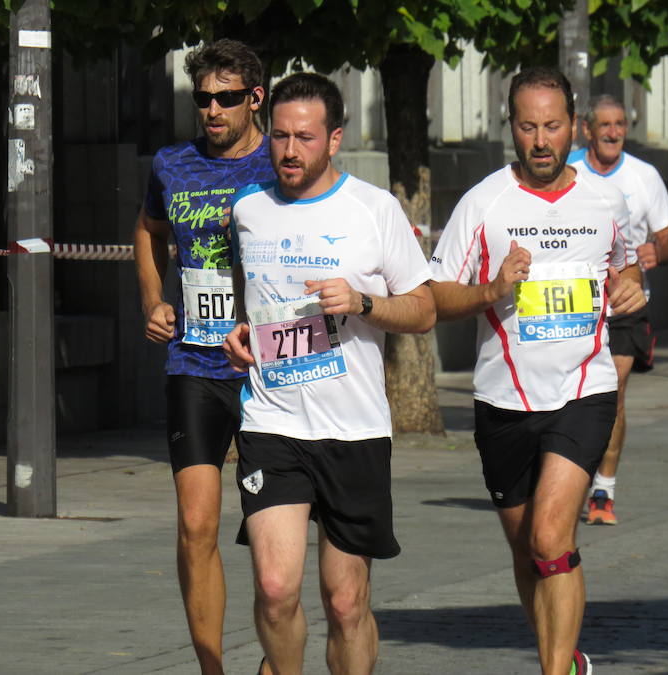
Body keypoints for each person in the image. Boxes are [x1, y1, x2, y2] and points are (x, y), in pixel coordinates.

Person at [429, 67, 646, 675]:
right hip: (503, 401)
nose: (542, 140)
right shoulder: (484, 202)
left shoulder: (605, 200)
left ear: (573, 127)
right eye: (529, 127)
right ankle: (564, 657)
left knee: (553, 537)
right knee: (529, 552)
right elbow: (436, 296)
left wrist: (632, 289)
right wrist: (493, 288)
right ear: (513, 129)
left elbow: (626, 268)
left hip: (584, 389)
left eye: (553, 126)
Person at [223, 72, 435, 675]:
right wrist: (240, 334)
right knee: (273, 586)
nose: (290, 151)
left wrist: (364, 303)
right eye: (281, 137)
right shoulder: (248, 210)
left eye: (306, 138)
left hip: (354, 430)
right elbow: (253, 303)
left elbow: (423, 311)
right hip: (272, 421)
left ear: (335, 139)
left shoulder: (374, 210)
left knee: (344, 603)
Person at [132, 39, 275, 675]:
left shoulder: (283, 164)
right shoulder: (171, 164)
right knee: (196, 528)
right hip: (194, 364)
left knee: (274, 539)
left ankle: (280, 660)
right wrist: (153, 299)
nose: (212, 110)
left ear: (256, 98)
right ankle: (212, 669)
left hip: (271, 369)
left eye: (226, 98)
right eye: (204, 98)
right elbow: (147, 229)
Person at [568, 94, 668, 525]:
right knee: (572, 396)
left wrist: (657, 250)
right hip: (577, 303)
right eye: (605, 125)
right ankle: (570, 479)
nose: (613, 133)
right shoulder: (569, 170)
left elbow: (667, 239)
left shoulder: (644, 176)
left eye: (620, 125)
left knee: (611, 390)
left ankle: (603, 491)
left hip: (627, 300)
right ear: (588, 130)